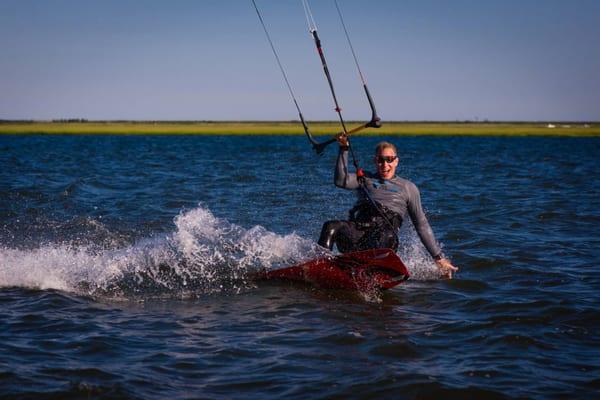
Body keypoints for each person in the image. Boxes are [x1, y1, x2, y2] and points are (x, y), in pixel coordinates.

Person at [318, 135, 458, 279]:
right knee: (331, 226)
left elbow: (421, 225)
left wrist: (438, 258)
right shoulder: (364, 179)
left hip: (384, 239)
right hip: (358, 234)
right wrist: (344, 148)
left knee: (387, 235)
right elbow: (341, 181)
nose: (385, 165)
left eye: (389, 160)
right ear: (375, 161)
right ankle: (320, 268)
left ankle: (373, 275)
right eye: (381, 160)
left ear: (396, 161)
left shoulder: (408, 188)